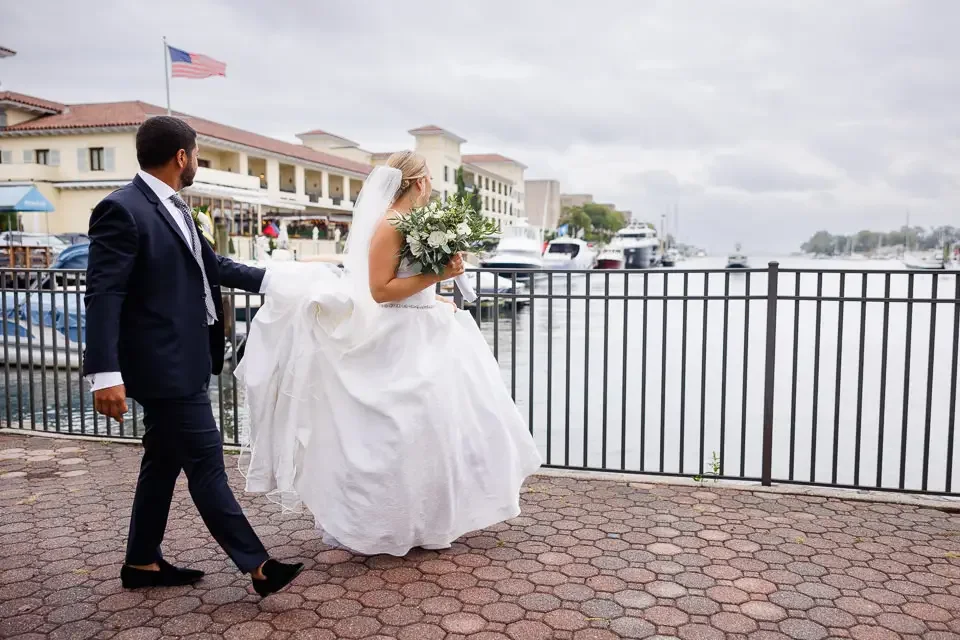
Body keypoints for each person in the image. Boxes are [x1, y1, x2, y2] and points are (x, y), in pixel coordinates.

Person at [237, 151, 542, 556]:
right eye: (430, 177)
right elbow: (380, 291)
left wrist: (436, 297)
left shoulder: (416, 223)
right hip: (397, 337)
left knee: (435, 430)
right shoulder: (391, 224)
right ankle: (383, 522)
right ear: (418, 182)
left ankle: (428, 520)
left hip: (425, 327)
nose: (432, 184)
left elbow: (413, 284)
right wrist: (438, 275)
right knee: (398, 433)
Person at [83, 116, 302, 596]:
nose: (198, 161)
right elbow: (103, 295)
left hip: (188, 357)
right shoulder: (121, 209)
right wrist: (104, 374)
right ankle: (259, 566)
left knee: (162, 461)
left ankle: (141, 562)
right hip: (161, 366)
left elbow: (213, 267)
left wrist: (285, 283)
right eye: (197, 153)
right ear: (182, 156)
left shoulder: (176, 209)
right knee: (206, 461)